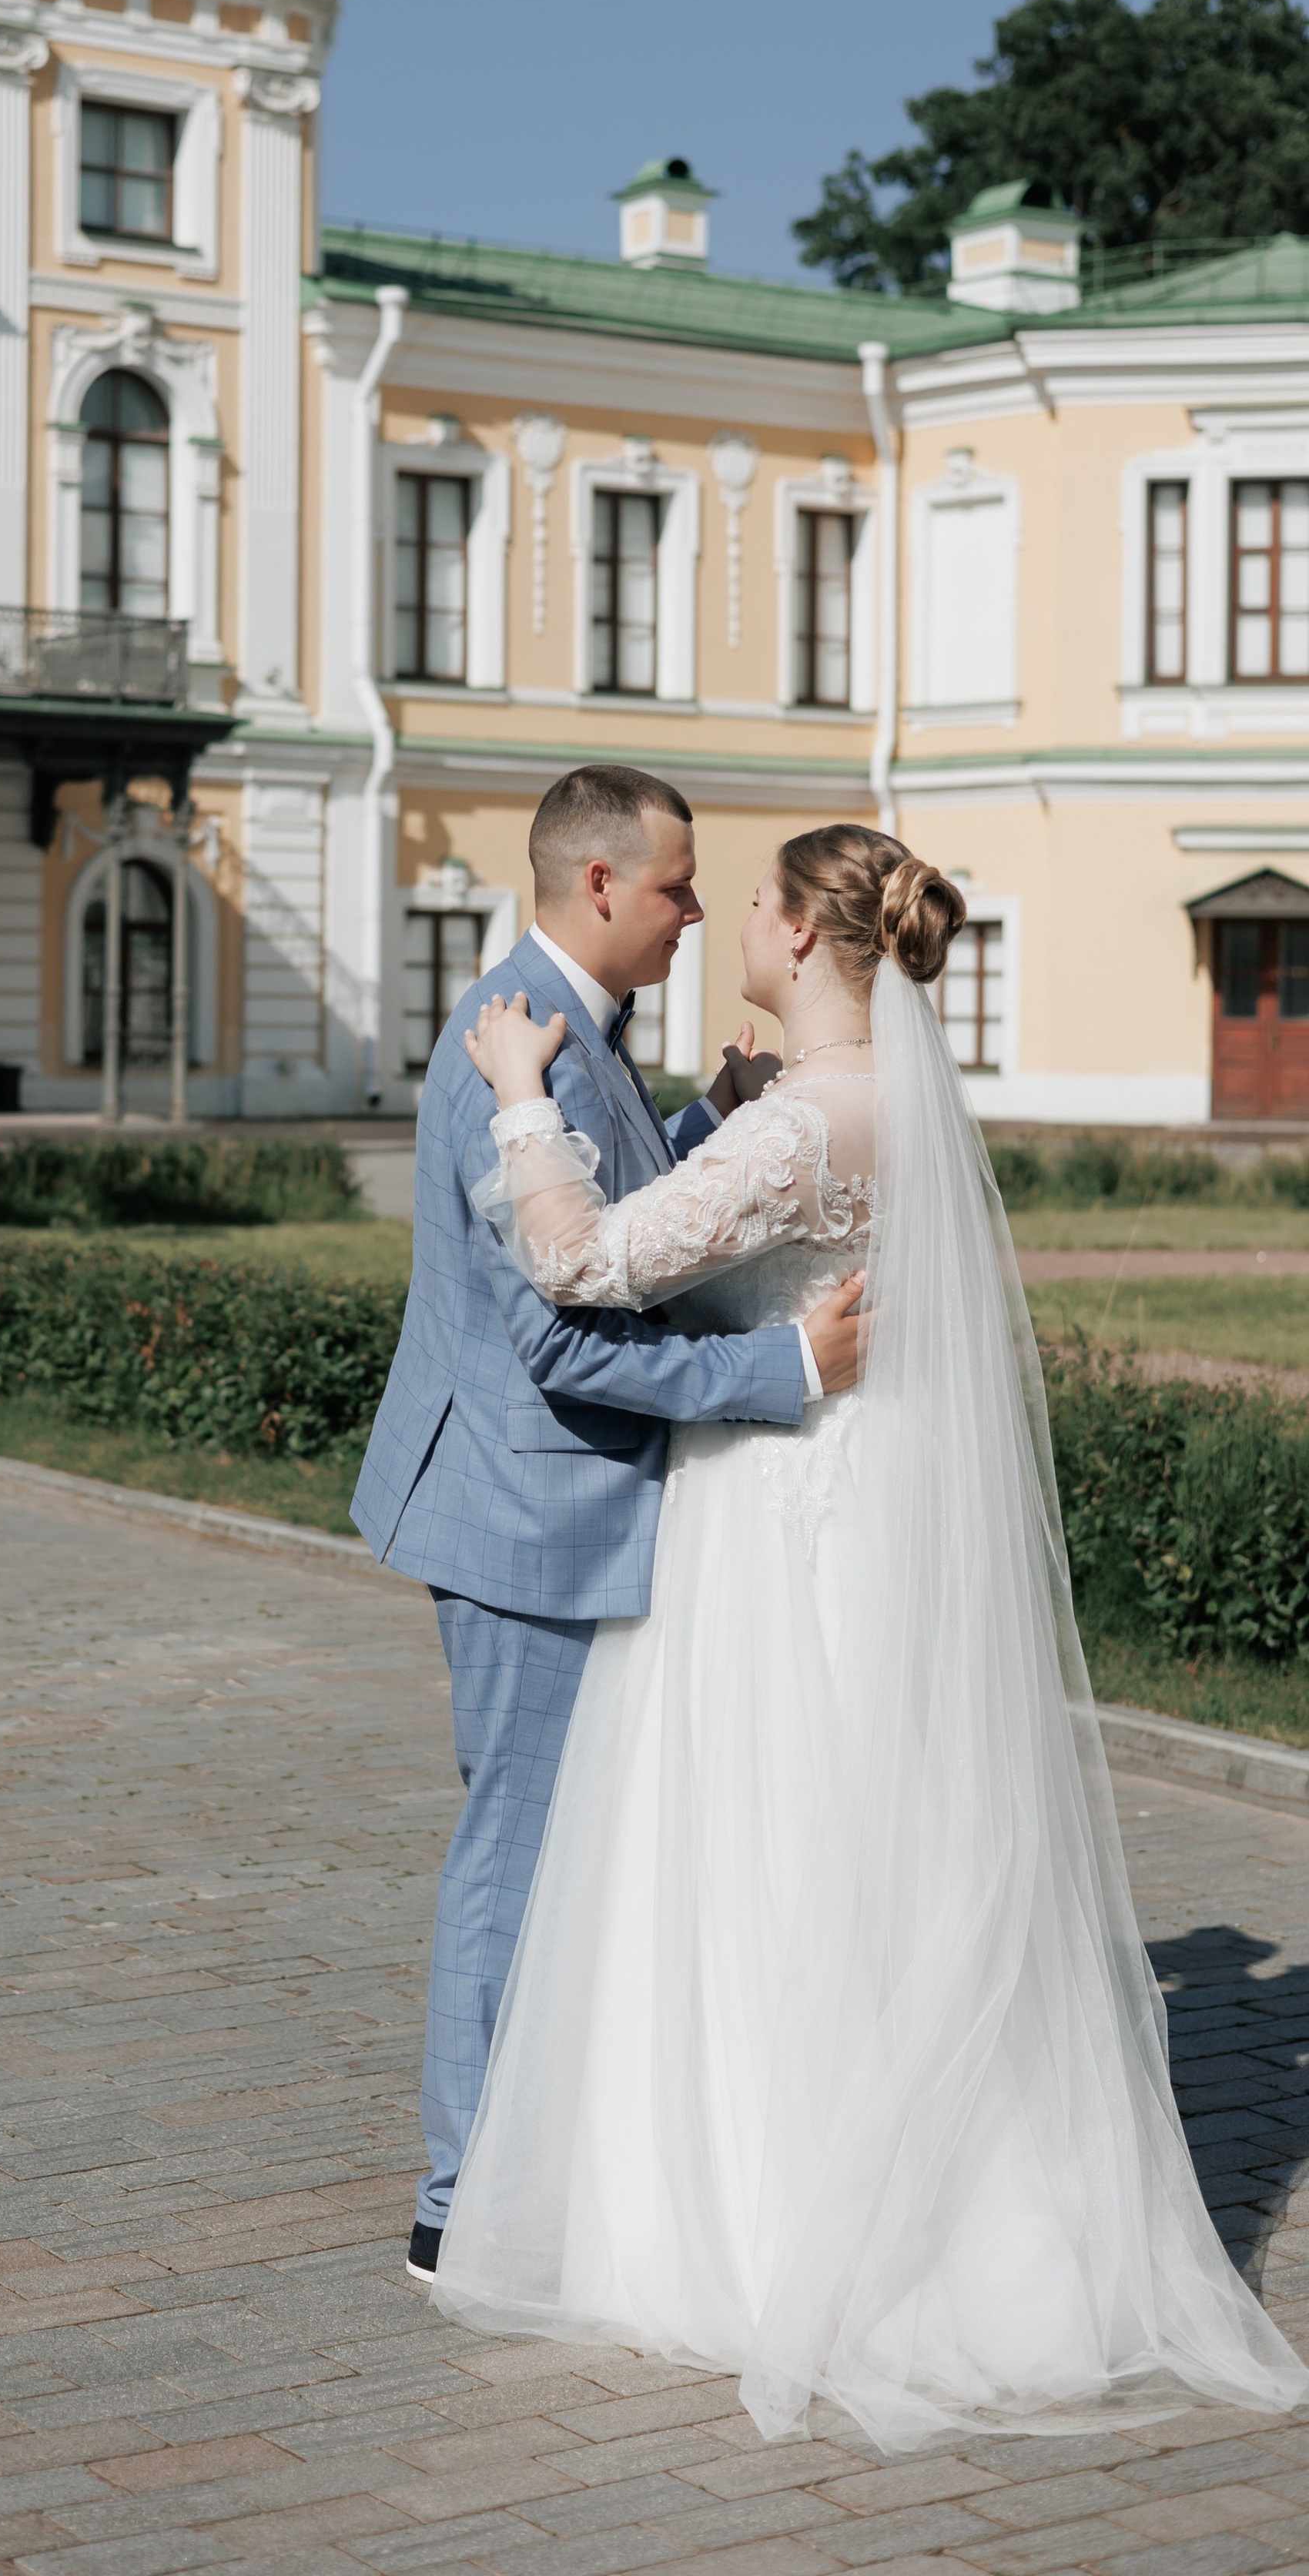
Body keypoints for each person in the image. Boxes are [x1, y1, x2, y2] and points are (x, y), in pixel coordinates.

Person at [436, 821, 1309, 2451]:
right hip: (879, 1505)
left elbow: (582, 1259)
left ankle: (767, 2229)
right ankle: (976, 2224)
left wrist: (511, 1091)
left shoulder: (801, 1133)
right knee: (883, 1842)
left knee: (767, 1850)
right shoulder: (890, 1108)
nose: (733, 918)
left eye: (756, 901)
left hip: (778, 1516)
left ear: (811, 942)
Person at [351, 765, 868, 2287]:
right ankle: (456, 2203)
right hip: (524, 1505)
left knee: (553, 1848)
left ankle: (526, 2165)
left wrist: (703, 1117)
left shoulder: (564, 1026)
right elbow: (560, 1338)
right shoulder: (524, 1043)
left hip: (547, 1495)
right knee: (513, 1851)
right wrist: (776, 1371)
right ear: (595, 888)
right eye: (674, 886)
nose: (698, 909)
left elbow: (605, 1214)